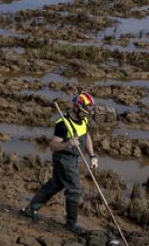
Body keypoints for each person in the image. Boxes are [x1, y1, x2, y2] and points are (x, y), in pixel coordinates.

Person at [20, 93, 99, 235]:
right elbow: (53, 145)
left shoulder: (84, 120)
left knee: (56, 184)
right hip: (63, 159)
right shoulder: (63, 124)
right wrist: (67, 144)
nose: (86, 114)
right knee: (74, 190)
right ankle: (71, 223)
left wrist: (92, 156)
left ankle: (31, 209)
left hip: (73, 159)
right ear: (76, 108)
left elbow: (87, 137)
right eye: (84, 110)